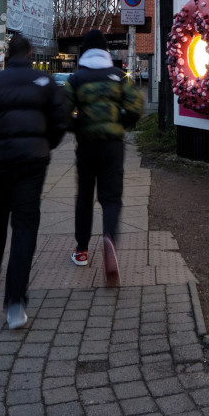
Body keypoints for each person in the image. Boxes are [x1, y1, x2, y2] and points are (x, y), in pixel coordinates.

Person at [0, 35, 70, 329]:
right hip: (33, 163)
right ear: (31, 54)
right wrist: (45, 145)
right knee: (25, 225)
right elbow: (62, 118)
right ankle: (14, 303)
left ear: (7, 55)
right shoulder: (45, 82)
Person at [65, 30, 143, 286]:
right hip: (112, 146)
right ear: (106, 52)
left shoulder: (75, 79)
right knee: (111, 199)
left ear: (85, 52)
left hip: (86, 146)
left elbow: (61, 110)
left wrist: (77, 125)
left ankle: (82, 251)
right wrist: (118, 123)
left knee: (84, 198)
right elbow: (136, 107)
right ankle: (109, 238)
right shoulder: (119, 77)